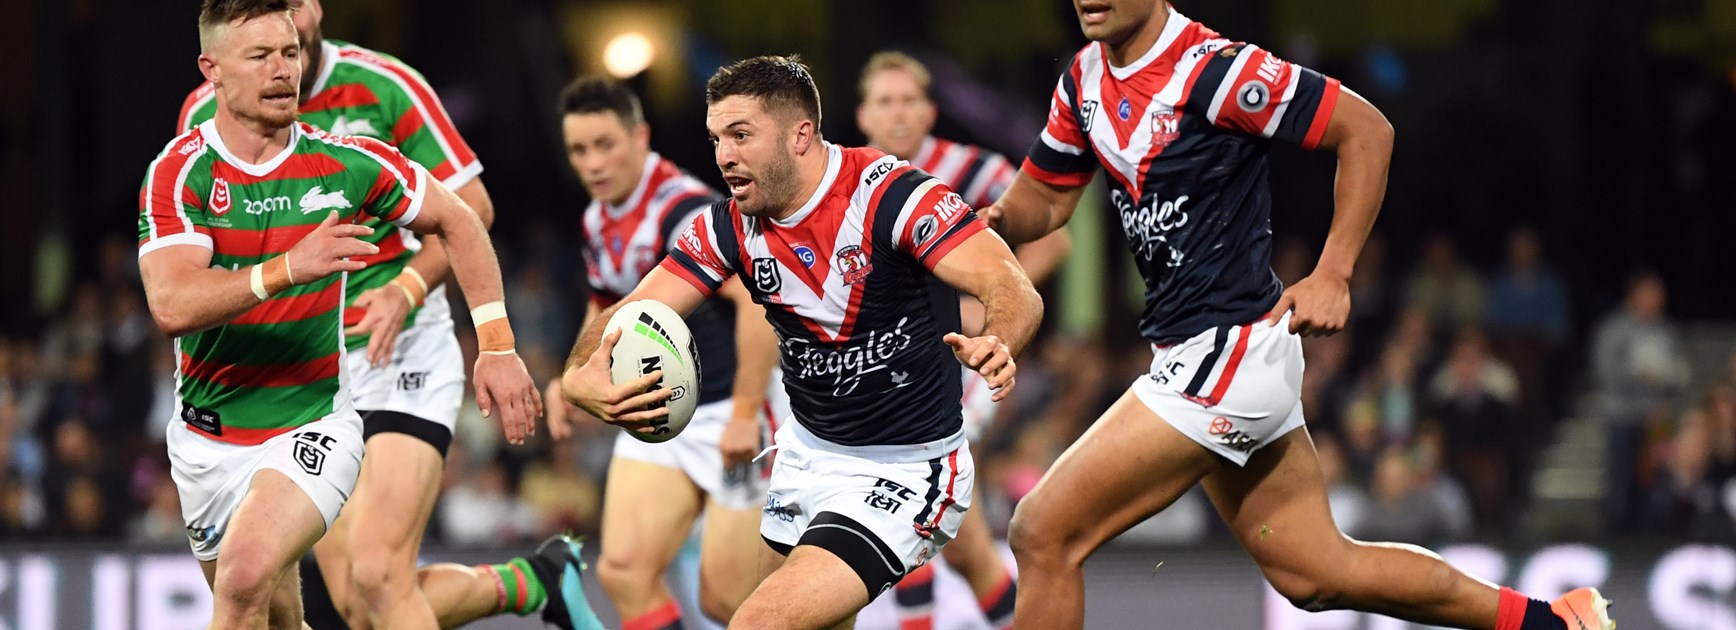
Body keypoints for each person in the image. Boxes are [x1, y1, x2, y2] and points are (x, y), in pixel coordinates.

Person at [983, 1, 1612, 629]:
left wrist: (1334, 272)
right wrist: (995, 222)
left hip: (1227, 353)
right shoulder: (1084, 77)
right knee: (1316, 574)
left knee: (1042, 531)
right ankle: (1555, 622)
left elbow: (1366, 130)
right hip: (1210, 355)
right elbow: (1046, 194)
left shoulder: (1215, 71)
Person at [560, 55, 1043, 630]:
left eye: (741, 135)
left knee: (759, 622)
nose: (724, 156)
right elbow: (636, 306)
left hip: (905, 469)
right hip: (804, 457)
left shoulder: (891, 196)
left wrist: (999, 339)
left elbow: (1012, 287)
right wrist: (576, 374)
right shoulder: (730, 226)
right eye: (716, 138)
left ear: (801, 134)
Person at [175, 1, 596, 628]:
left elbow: (470, 208)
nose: (283, 38)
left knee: (377, 571)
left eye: (292, 12)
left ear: (314, 9)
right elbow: (191, 267)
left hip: (402, 349)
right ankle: (531, 581)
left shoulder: (384, 87)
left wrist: (408, 289)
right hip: (309, 367)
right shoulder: (204, 118)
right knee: (353, 600)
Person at [538, 75, 783, 629]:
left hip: (730, 410)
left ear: (641, 136)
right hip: (660, 413)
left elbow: (757, 308)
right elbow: (605, 305)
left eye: (606, 145)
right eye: (579, 150)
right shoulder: (597, 218)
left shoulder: (685, 209)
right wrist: (571, 374)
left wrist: (745, 413)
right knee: (623, 570)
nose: (593, 163)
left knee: (729, 601)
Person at [855, 50, 1069, 630]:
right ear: (863, 115)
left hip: (959, 366)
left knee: (909, 497)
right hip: (892, 368)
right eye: (884, 101)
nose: (897, 113)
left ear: (930, 112)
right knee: (969, 549)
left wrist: (984, 306)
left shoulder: (969, 168)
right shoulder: (846, 180)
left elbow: (1051, 239)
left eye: (908, 100)